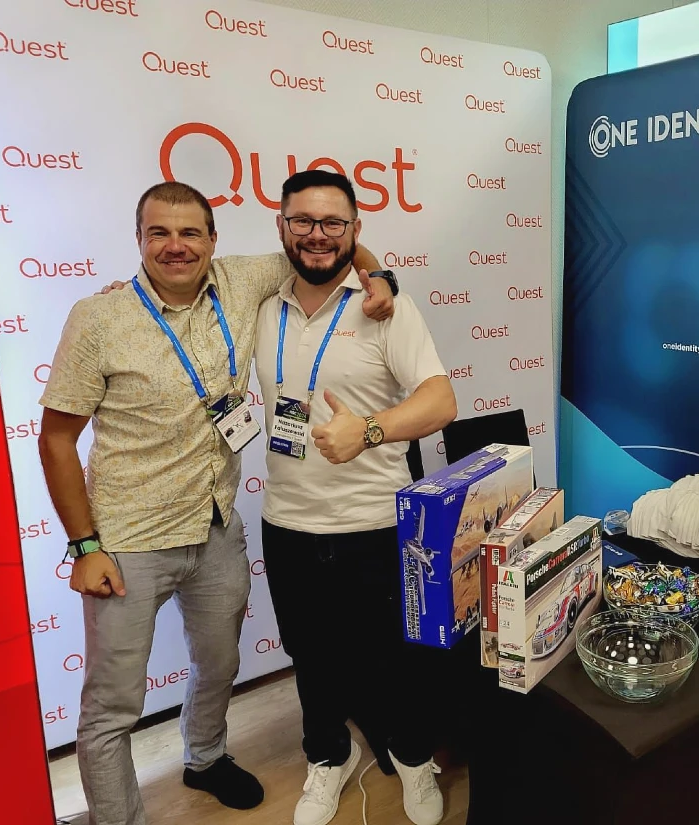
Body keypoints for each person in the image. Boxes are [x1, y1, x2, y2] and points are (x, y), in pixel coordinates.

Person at [36, 180, 394, 825]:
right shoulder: (99, 319)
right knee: (112, 706)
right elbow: (57, 440)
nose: (176, 246)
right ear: (139, 240)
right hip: (128, 536)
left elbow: (330, 248)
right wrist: (85, 546)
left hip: (216, 525)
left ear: (212, 239)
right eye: (159, 233)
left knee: (220, 663)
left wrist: (379, 278)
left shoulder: (241, 279)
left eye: (189, 232)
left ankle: (205, 757)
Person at [255, 170, 457, 825]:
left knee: (395, 655)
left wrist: (369, 430)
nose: (318, 235)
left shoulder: (384, 305)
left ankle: (413, 755)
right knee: (310, 654)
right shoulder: (258, 302)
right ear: (282, 226)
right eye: (304, 221)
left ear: (355, 230)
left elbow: (440, 399)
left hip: (374, 522)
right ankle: (327, 754)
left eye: (333, 222)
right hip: (287, 521)